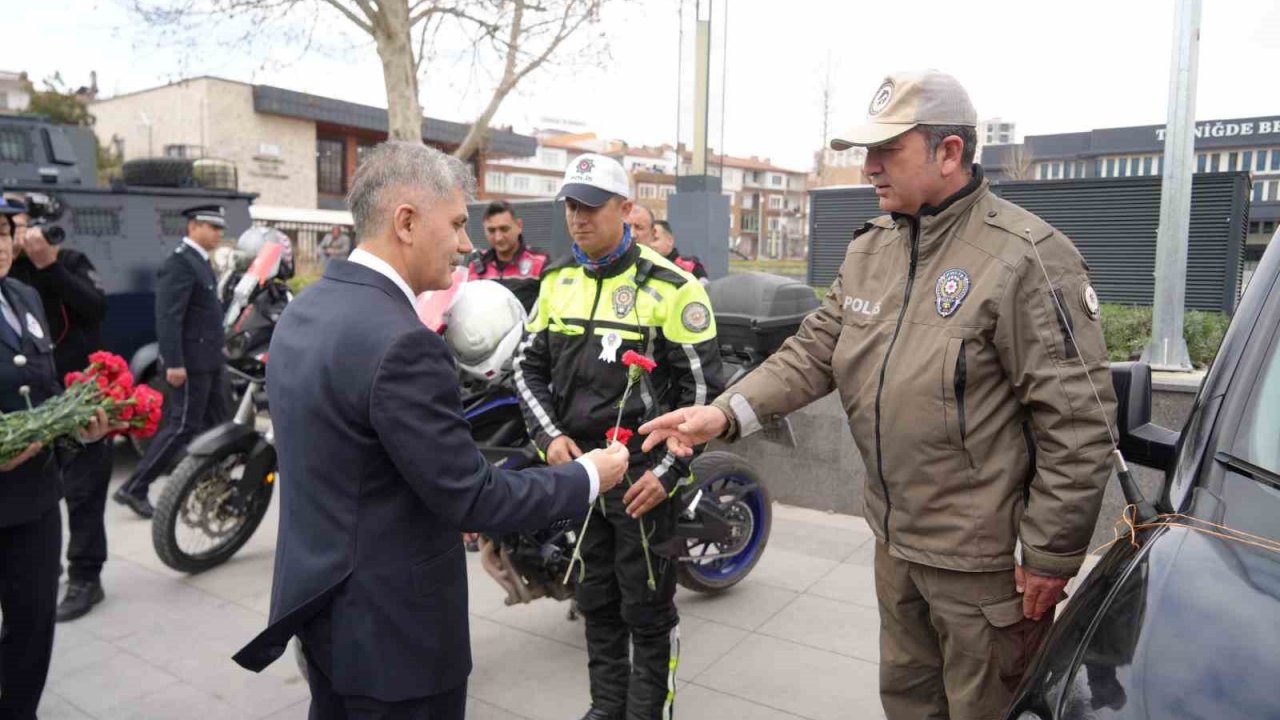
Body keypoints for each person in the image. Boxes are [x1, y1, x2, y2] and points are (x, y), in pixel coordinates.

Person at [640, 70, 1117, 720]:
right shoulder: (874, 249)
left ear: (949, 152)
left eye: (887, 150)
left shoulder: (1027, 258)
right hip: (895, 543)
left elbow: (1077, 423)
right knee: (908, 703)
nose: (867, 168)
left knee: (986, 710)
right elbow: (813, 353)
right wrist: (721, 414)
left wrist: (1049, 557)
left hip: (984, 567)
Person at [232, 142, 629, 720]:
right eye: (458, 223)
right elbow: (473, 496)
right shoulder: (403, 343)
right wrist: (587, 475)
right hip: (397, 640)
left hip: (322, 616)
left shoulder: (305, 309)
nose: (469, 244)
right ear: (407, 222)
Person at [515, 153, 724, 720]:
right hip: (580, 477)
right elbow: (525, 368)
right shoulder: (557, 279)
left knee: (648, 612)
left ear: (625, 209)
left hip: (642, 482)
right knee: (595, 603)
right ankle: (606, 709)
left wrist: (667, 473)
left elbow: (702, 398)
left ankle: (649, 712)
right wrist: (551, 438)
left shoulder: (674, 287)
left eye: (591, 206)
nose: (578, 218)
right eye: (570, 206)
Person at [0, 200, 114, 718]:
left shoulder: (23, 294)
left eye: (5, 232)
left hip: (36, 502)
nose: (3, 242)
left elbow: (41, 391)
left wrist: (76, 431)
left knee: (31, 623)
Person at [113, 205, 230, 519]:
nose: (219, 233)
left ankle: (215, 483)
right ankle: (134, 487)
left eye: (220, 228)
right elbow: (168, 318)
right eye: (212, 227)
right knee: (181, 426)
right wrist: (174, 362)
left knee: (221, 426)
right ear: (193, 227)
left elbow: (205, 314)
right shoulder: (180, 263)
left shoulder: (201, 262)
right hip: (190, 364)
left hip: (210, 360)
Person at [467, 200, 549, 312]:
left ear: (519, 226)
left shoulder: (540, 262)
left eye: (504, 229)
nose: (498, 237)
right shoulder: (476, 264)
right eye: (491, 230)